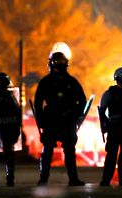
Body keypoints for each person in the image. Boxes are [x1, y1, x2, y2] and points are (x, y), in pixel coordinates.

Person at [35, 47, 87, 186]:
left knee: (67, 150)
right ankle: (45, 178)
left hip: (65, 120)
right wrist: (41, 121)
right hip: (53, 120)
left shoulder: (69, 81)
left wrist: (75, 115)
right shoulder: (47, 82)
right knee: (49, 151)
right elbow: (38, 103)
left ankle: (71, 178)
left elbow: (82, 100)